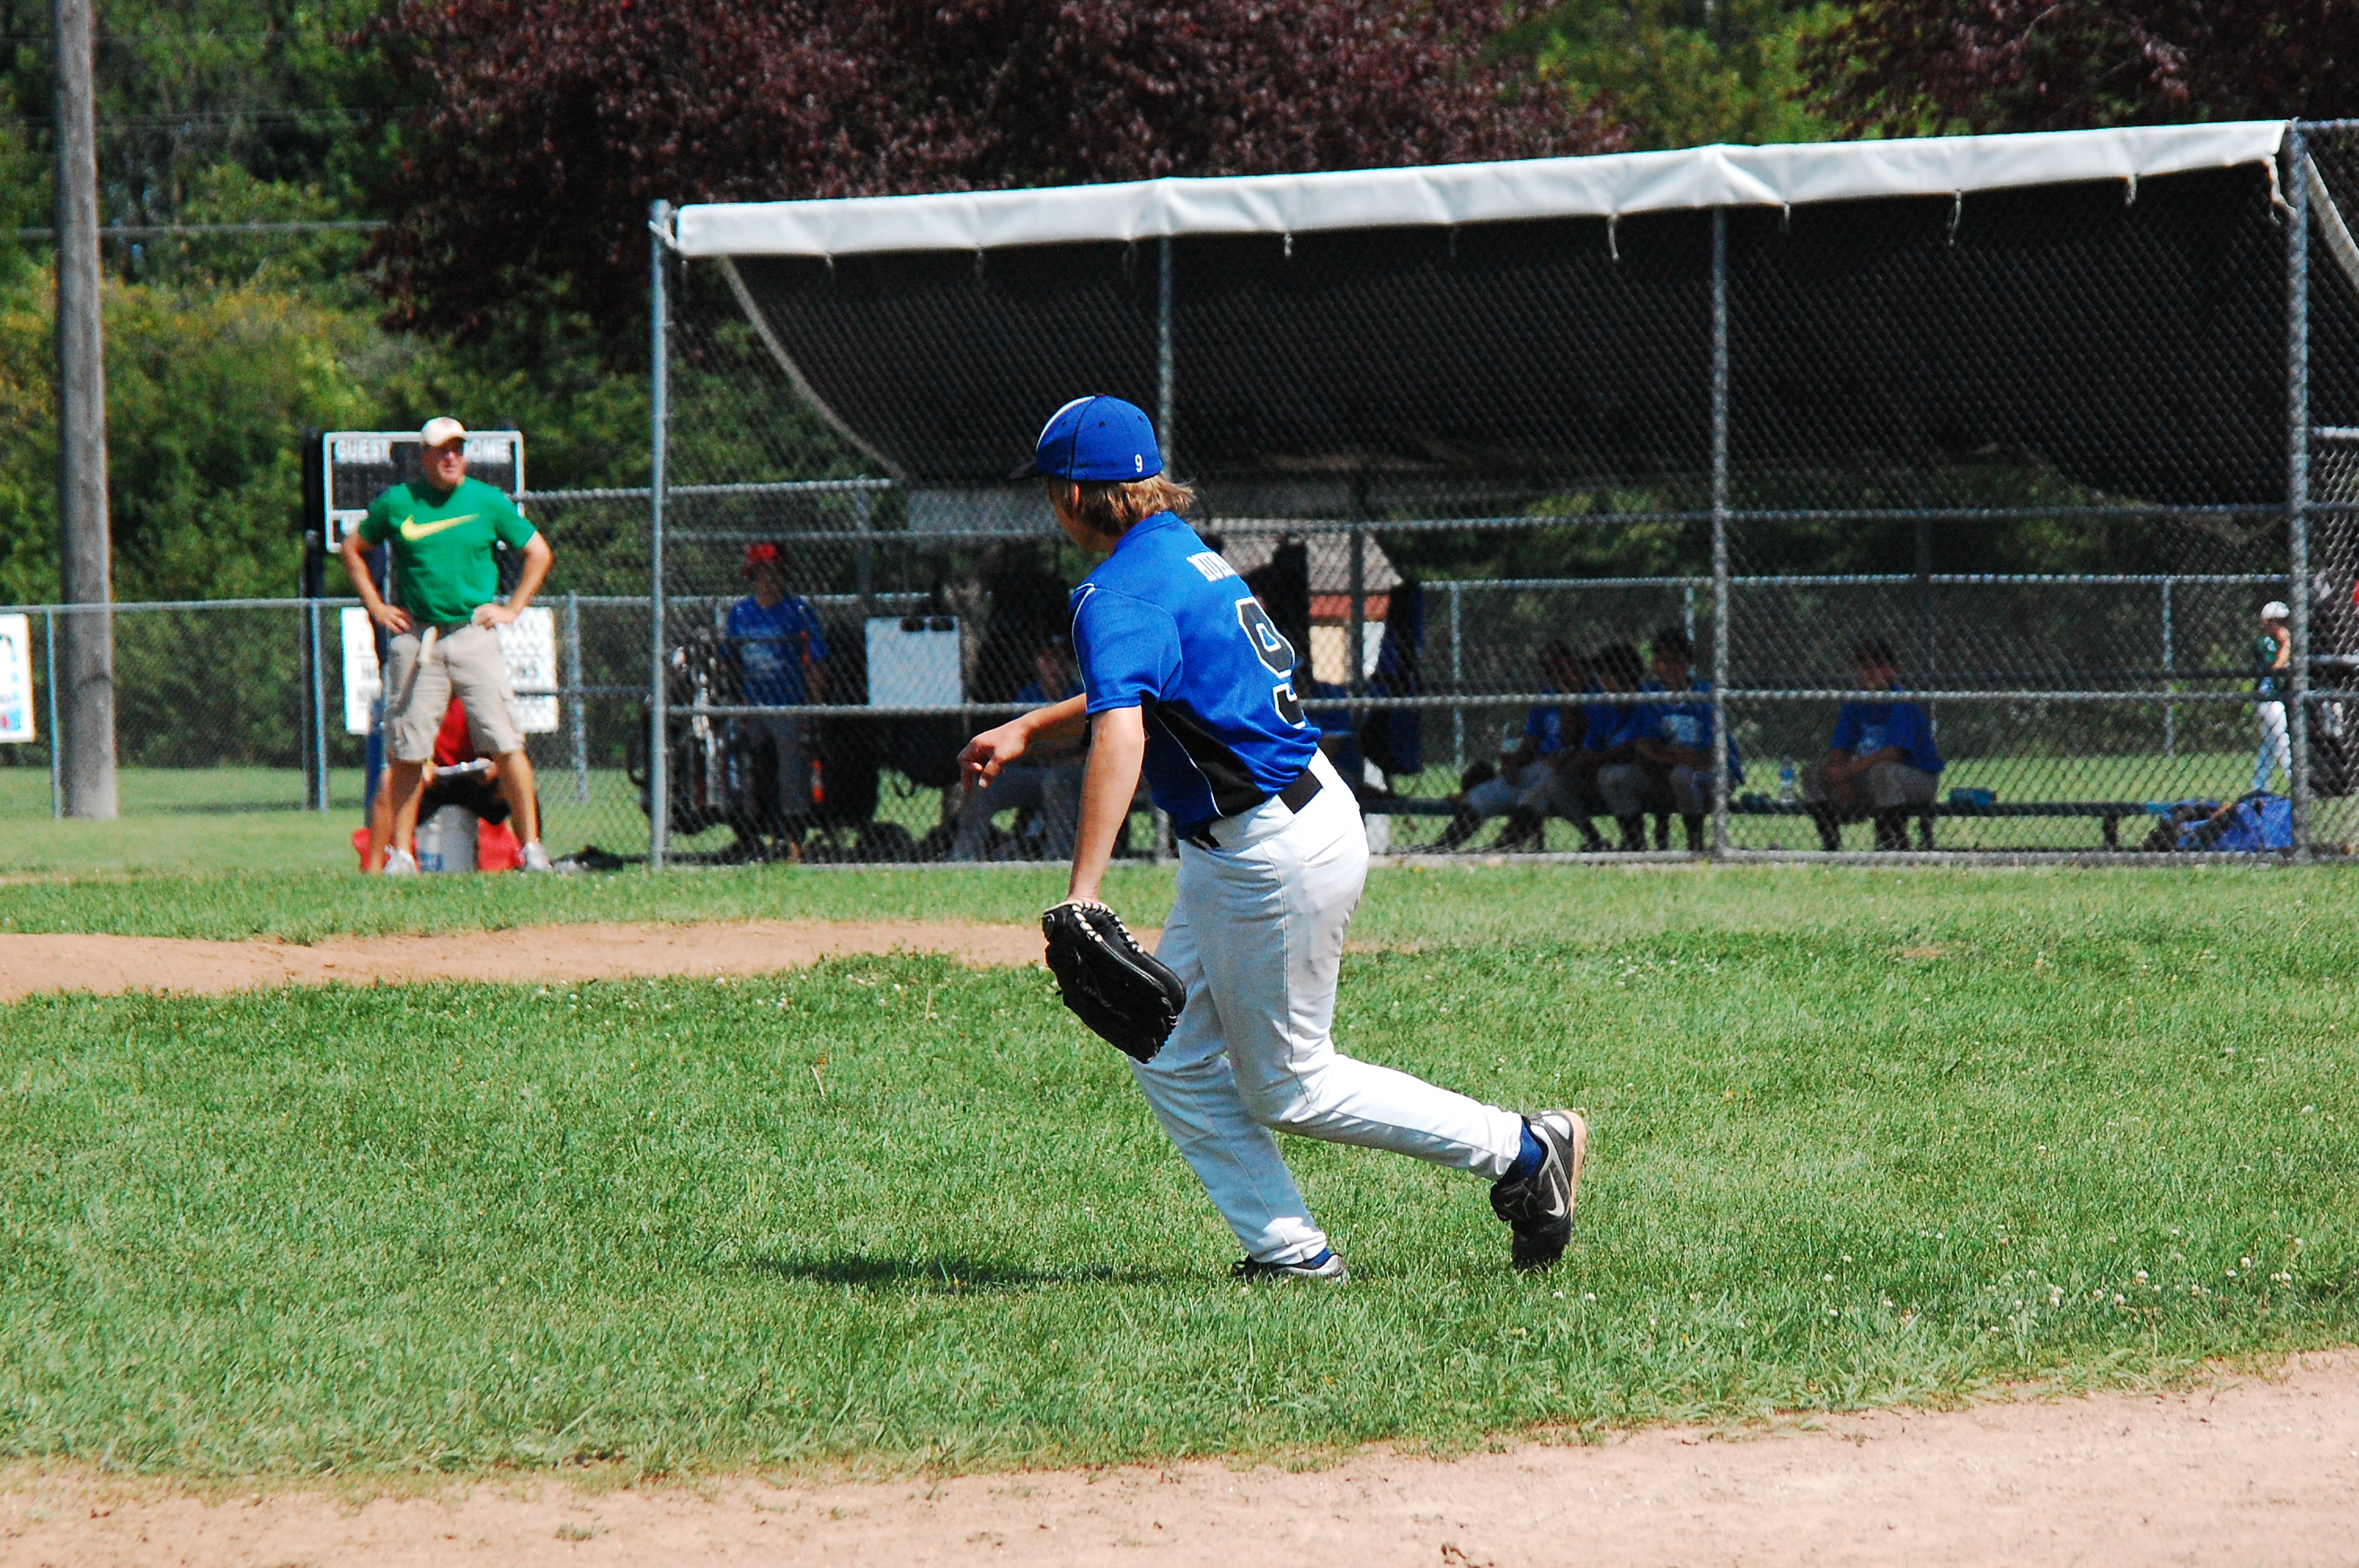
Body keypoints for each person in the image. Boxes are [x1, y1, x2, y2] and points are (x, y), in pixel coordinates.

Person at [960, 395, 1587, 1280]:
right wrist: (1030, 726)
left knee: (1291, 1085)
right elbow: (1144, 685)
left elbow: (1122, 733)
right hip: (1285, 818)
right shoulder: (1186, 555)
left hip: (1265, 849)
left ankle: (1524, 1149)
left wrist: (1084, 890)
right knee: (1167, 1048)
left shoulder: (1114, 591)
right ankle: (1289, 1252)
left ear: (1070, 495)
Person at [343, 417, 554, 874]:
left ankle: (532, 850)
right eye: (441, 450)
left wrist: (512, 608)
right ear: (424, 456)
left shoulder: (487, 501)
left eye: (457, 448)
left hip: (473, 634)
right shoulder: (399, 502)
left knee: (506, 743)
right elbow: (353, 548)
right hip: (418, 638)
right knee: (407, 752)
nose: (451, 457)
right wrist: (377, 606)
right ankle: (402, 856)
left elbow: (538, 552)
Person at [1598, 627, 1741, 855]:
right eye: (1663, 661)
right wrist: (1670, 757)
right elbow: (1643, 746)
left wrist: (1672, 757)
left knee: (1682, 776)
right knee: (1614, 776)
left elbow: (1712, 755)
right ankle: (1635, 844)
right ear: (1654, 663)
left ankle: (1695, 846)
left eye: (1676, 660)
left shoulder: (1705, 695)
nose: (1670, 667)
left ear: (1689, 663)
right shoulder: (1649, 695)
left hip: (1712, 777)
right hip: (1665, 773)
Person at [1432, 641, 1587, 851]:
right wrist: (1514, 765)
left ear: (1575, 665)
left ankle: (1501, 848)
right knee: (1483, 794)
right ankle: (1441, 848)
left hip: (1565, 772)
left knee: (1532, 797)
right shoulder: (1547, 697)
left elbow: (1578, 743)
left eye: (1562, 669)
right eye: (1550, 672)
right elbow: (1530, 742)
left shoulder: (1594, 695)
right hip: (1537, 767)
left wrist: (1571, 705)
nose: (1556, 677)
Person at [727, 543, 831, 847]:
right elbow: (728, 661)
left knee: (791, 772)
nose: (768, 579)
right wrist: (735, 700)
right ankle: (750, 835)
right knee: (740, 762)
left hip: (788, 703)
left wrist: (816, 705)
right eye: (761, 573)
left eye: (774, 572)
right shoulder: (740, 613)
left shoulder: (798, 611)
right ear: (751, 576)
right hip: (752, 704)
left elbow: (816, 663)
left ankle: (794, 838)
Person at [1801, 637, 1943, 851]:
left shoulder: (1902, 702)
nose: (1869, 672)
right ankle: (1832, 848)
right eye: (1864, 666)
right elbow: (1840, 747)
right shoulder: (1856, 702)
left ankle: (1892, 843)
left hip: (1917, 779)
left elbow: (1894, 753)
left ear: (1892, 670)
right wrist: (1840, 775)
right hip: (1866, 774)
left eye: (1877, 666)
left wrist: (1847, 772)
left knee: (1883, 772)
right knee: (1812, 773)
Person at [362, 696, 536, 871]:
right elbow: (396, 754)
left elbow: (506, 749)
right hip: (430, 781)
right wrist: (421, 766)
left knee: (518, 782)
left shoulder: (481, 694)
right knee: (388, 782)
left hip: (476, 780)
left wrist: (494, 766)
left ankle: (532, 855)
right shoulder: (418, 696)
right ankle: (376, 867)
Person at [951, 637, 1086, 861]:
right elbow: (1019, 745)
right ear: (1038, 664)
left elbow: (1089, 741)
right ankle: (963, 858)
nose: (1055, 667)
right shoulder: (1027, 696)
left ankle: (1057, 859)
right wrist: (1060, 743)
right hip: (1032, 771)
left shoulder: (1079, 696)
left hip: (1069, 772)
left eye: (1061, 660)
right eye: (1048, 660)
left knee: (1057, 781)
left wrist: (1045, 743)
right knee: (983, 784)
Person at [1543, 642, 1647, 851]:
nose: (1600, 680)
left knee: (1611, 776)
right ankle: (1595, 841)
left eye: (1604, 675)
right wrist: (1578, 761)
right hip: (1604, 772)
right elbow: (1591, 745)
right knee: (1556, 783)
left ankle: (1634, 840)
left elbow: (1639, 746)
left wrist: (1601, 759)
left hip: (1643, 775)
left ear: (1621, 676)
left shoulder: (1645, 701)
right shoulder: (1604, 705)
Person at [2253, 599, 2292, 794]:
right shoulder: (2266, 643)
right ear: (2267, 623)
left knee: (2269, 744)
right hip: (2267, 698)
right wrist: (2287, 645)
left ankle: (2259, 785)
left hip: (2275, 697)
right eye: (2276, 621)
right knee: (2282, 738)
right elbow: (2276, 666)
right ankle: (2297, 780)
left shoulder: (2282, 643)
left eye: (2283, 621)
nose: (2281, 626)